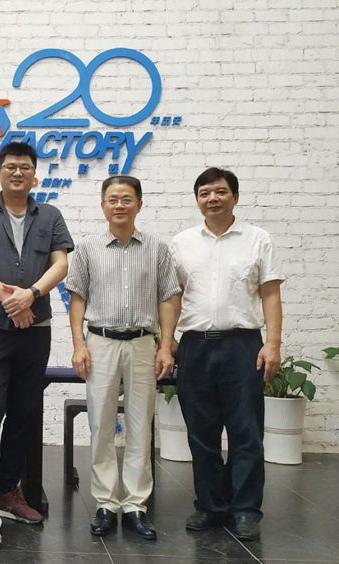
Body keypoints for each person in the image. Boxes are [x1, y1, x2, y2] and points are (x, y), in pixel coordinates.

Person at [0, 142, 74, 550]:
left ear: (34, 174)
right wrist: (13, 302)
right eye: (10, 166)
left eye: (24, 167)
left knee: (23, 414)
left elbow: (61, 264)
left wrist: (32, 295)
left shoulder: (50, 215)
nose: (17, 172)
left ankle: (8, 491)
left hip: (35, 331)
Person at [171, 167, 284, 541]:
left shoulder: (257, 239)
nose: (212, 198)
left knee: (245, 431)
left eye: (220, 191)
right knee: (201, 433)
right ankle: (210, 505)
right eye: (205, 193)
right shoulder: (182, 242)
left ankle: (246, 510)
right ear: (197, 200)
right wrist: (166, 342)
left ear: (235, 196)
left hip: (243, 345)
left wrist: (273, 343)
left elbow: (270, 293)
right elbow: (173, 298)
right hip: (195, 346)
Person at [65, 176, 181, 540]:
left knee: (140, 424)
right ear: (103, 206)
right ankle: (105, 503)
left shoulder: (158, 249)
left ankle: (135, 505)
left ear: (139, 205)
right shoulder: (87, 248)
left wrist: (166, 345)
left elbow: (168, 297)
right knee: (101, 424)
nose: (119, 205)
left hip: (144, 343)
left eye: (127, 199)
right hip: (100, 342)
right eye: (112, 199)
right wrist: (78, 344)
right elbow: (77, 298)